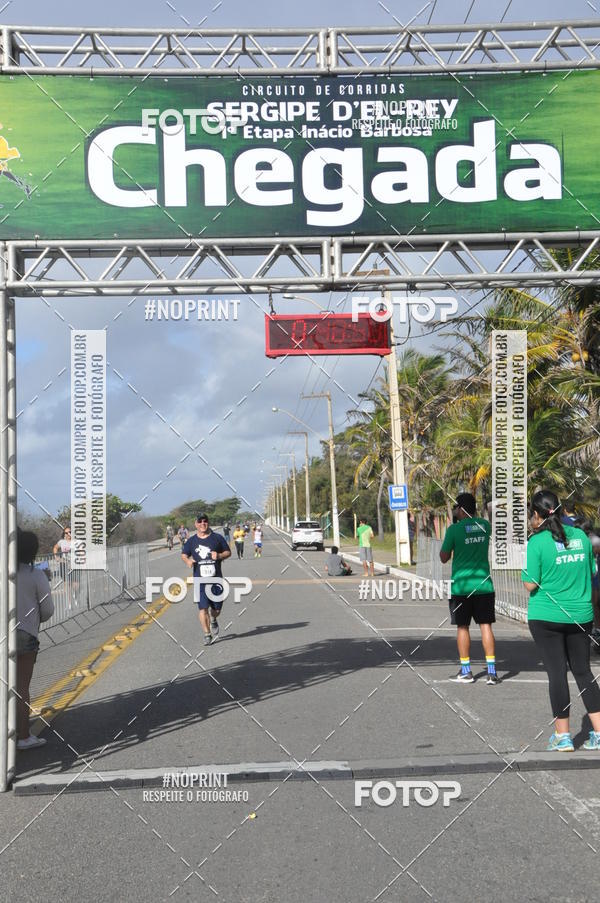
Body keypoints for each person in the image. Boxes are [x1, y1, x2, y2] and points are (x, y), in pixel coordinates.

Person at [522, 489, 600, 751]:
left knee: (557, 673)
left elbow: (530, 584)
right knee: (583, 671)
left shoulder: (537, 542)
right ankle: (599, 733)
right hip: (580, 615)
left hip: (546, 617)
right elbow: (591, 571)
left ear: (536, 515)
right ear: (561, 509)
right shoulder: (581, 537)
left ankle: (563, 736)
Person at [440, 492, 498, 685]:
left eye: (457, 508)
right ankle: (492, 672)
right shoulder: (485, 525)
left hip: (462, 587)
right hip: (484, 585)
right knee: (486, 626)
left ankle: (466, 671)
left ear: (461, 509)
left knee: (462, 627)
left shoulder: (454, 530)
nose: (455, 511)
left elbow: (444, 557)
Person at [16, 530, 54, 749]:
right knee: (21, 687)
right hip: (25, 636)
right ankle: (23, 736)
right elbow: (47, 610)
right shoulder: (36, 575)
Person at [182, 514, 231, 646]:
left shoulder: (217, 538)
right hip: (200, 581)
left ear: (208, 523)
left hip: (216, 581)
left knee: (216, 610)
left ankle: (214, 619)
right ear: (196, 524)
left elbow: (228, 552)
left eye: (205, 521)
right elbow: (184, 554)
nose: (203, 523)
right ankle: (207, 634)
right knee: (202, 608)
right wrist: (187, 561)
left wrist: (220, 555)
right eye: (200, 521)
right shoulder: (192, 541)